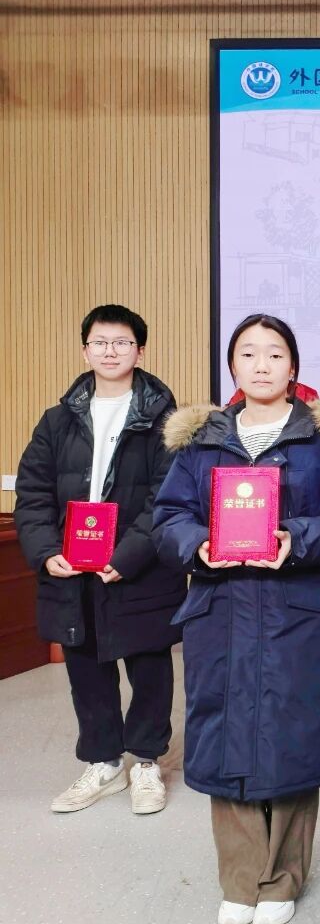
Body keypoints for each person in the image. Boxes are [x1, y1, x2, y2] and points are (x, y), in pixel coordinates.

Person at [153, 313, 320, 924]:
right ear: (233, 367)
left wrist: (294, 537)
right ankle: (240, 878)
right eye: (248, 354)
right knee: (224, 735)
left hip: (294, 612)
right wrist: (198, 542)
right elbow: (167, 517)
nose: (261, 365)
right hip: (219, 610)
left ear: (293, 366)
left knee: (292, 737)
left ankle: (281, 882)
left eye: (274, 354)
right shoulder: (201, 441)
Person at [15, 304, 186, 816]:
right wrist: (46, 552)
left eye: (122, 342)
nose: (111, 351)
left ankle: (147, 762)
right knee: (85, 667)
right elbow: (33, 493)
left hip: (138, 567)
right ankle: (103, 762)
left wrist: (128, 554)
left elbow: (167, 496)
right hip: (72, 570)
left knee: (149, 665)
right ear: (85, 350)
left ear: (140, 350)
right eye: (100, 342)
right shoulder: (57, 420)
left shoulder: (165, 420)